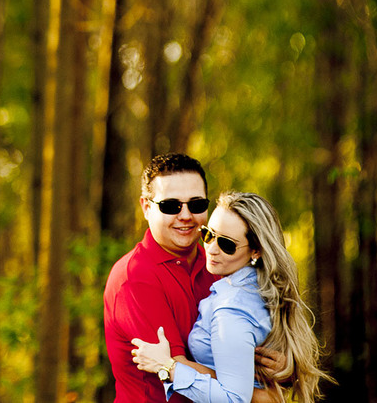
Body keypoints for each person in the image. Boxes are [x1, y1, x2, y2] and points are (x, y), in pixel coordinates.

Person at [130, 191, 329, 403]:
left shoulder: (231, 308)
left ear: (256, 251)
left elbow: (234, 399)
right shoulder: (257, 286)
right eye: (208, 234)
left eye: (227, 244)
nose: (211, 249)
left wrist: (168, 367)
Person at [103, 153, 216, 402]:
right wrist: (254, 388)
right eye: (170, 206)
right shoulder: (134, 277)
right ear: (146, 207)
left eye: (196, 204)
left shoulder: (218, 265)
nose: (185, 215)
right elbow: (177, 370)